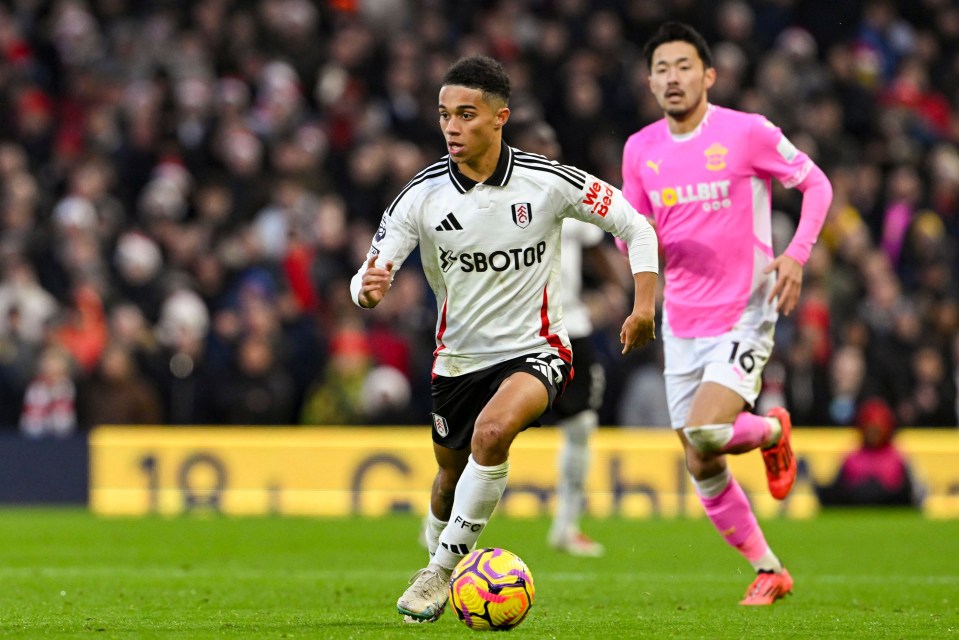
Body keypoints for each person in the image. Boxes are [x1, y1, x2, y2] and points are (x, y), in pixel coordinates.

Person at [350, 55, 659, 623]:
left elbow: (635, 224)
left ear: (500, 118)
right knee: (448, 478)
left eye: (466, 114)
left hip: (537, 349)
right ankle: (438, 543)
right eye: (445, 115)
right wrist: (365, 291)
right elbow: (370, 273)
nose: (452, 127)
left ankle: (440, 571)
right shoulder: (420, 195)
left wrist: (644, 305)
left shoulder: (548, 182)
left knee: (493, 435)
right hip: (457, 360)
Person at [620, 22, 833, 605]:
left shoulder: (747, 133)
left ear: (708, 75)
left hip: (745, 309)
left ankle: (770, 430)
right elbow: (634, 234)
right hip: (682, 321)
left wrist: (795, 256)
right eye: (661, 68)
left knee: (707, 430)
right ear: (649, 81)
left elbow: (817, 186)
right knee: (699, 458)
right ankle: (769, 569)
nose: (672, 78)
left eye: (683, 66)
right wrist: (645, 266)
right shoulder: (640, 149)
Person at [513, 120, 626, 557]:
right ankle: (441, 522)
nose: (549, 150)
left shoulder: (565, 191)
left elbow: (593, 242)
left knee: (581, 425)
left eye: (552, 142)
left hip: (570, 329)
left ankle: (565, 525)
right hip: (516, 332)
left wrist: (618, 288)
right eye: (540, 143)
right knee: (486, 429)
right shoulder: (495, 201)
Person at [815, 396, 924, 508]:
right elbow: (836, 490)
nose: (872, 434)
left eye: (876, 430)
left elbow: (914, 493)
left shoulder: (898, 456)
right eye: (869, 429)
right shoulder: (852, 456)